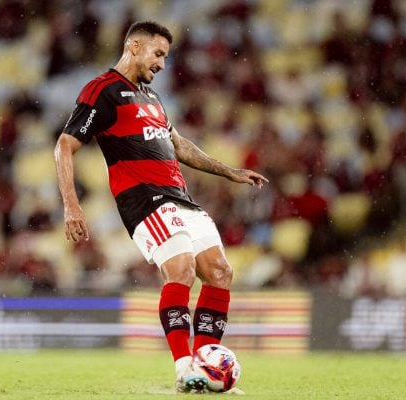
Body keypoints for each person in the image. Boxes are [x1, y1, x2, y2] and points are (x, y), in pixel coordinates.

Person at [54, 21, 267, 393]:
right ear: (134, 47)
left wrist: (229, 172)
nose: (162, 65)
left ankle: (204, 368)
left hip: (180, 198)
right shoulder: (102, 90)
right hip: (143, 199)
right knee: (181, 269)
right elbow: (64, 145)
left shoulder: (152, 98)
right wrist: (71, 204)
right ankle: (184, 369)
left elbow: (179, 146)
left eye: (166, 57)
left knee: (220, 272)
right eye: (158, 54)